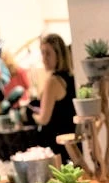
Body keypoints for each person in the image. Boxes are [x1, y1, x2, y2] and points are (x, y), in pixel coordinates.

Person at [31, 33, 76, 162]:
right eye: (42, 53)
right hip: (70, 140)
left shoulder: (53, 81)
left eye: (48, 53)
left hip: (56, 143)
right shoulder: (71, 78)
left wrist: (32, 116)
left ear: (59, 55)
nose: (44, 58)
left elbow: (44, 119)